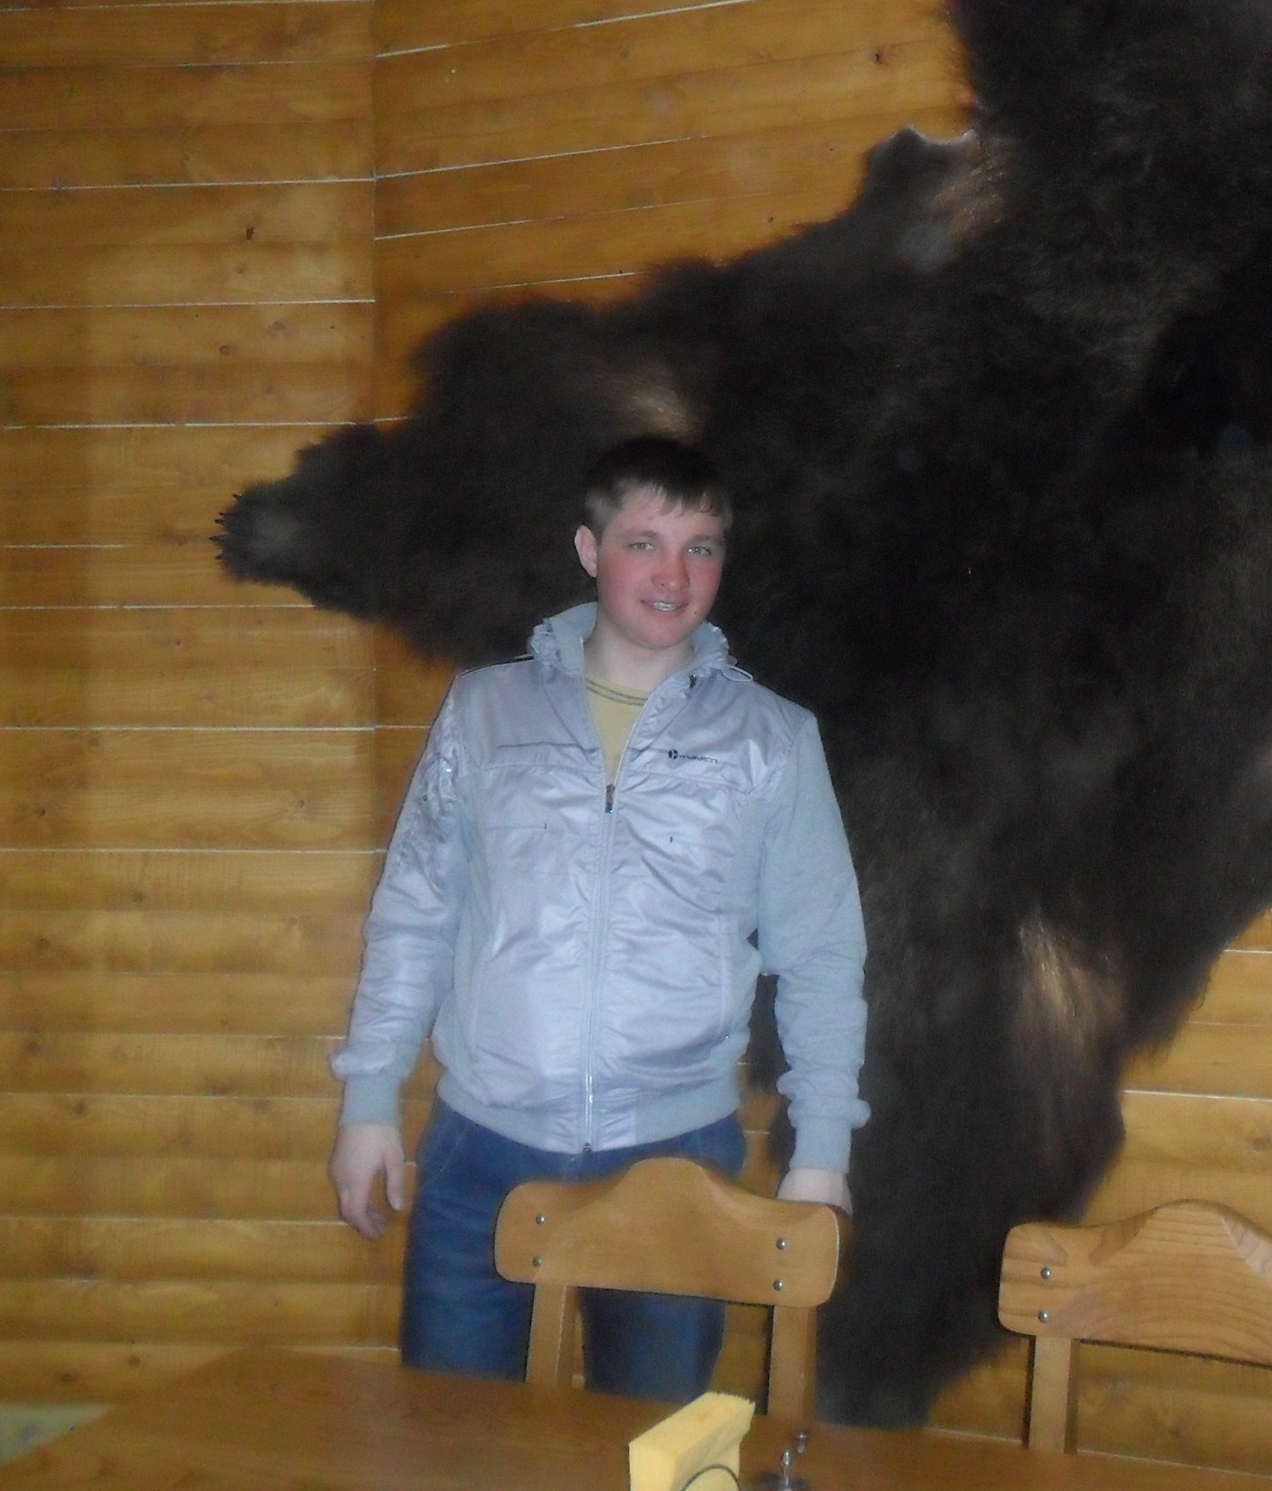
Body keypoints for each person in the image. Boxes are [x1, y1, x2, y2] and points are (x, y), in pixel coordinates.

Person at [327, 436, 868, 1397]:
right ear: (589, 550)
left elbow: (822, 953)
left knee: (650, 1453)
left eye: (700, 548)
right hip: (482, 1155)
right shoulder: (483, 713)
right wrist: (369, 1101)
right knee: (455, 1450)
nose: (673, 576)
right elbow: (415, 914)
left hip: (675, 1161)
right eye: (643, 543)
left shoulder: (772, 740)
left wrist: (821, 1151)